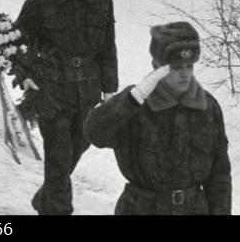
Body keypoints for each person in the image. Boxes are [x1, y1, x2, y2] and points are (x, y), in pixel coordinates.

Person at [11, 0, 118, 215]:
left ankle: (44, 200)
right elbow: (16, 43)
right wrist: (25, 75)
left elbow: (108, 44)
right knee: (58, 160)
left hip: (88, 93)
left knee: (74, 151)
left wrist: (110, 87)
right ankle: (56, 210)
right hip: (52, 94)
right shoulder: (40, 1)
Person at [83, 22, 232, 215]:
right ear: (157, 66)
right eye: (176, 67)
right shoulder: (135, 105)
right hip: (141, 208)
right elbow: (94, 133)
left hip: (193, 208)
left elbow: (219, 176)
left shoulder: (206, 107)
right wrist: (131, 99)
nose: (185, 73)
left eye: (189, 66)